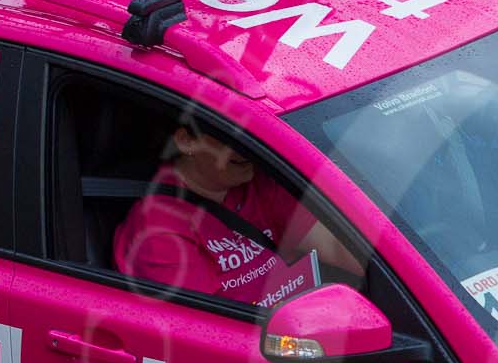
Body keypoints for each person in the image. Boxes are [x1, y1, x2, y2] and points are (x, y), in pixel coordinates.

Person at [114, 116, 357, 307]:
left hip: (296, 328)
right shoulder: (160, 229)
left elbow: (335, 247)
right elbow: (205, 328)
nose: (248, 148)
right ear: (187, 141)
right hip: (257, 347)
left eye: (251, 134)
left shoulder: (258, 182)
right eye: (230, 136)